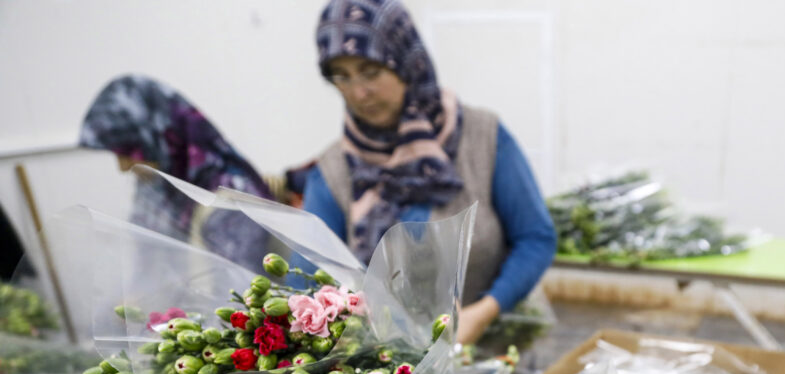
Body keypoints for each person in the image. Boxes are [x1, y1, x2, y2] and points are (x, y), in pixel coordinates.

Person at [305, 0, 557, 345]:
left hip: (494, 349)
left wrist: (484, 311)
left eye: (371, 71)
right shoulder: (334, 171)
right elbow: (306, 279)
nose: (358, 92)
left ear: (406, 61)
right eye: (341, 76)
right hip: (387, 373)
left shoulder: (483, 137)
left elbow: (536, 238)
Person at [79, 75, 272, 269]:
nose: (123, 168)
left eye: (129, 151)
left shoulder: (229, 200)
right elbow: (145, 272)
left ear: (160, 138)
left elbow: (238, 291)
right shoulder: (161, 187)